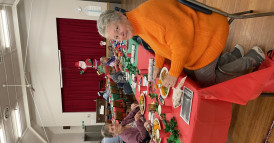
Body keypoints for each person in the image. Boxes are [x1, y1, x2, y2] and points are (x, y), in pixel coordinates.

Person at [97, 0, 265, 87]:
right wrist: (158, 65)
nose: (121, 35)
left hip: (208, 34)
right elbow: (160, 45)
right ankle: (235, 54)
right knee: (192, 76)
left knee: (207, 83)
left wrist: (174, 73)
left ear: (120, 16)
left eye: (117, 28)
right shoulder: (136, 24)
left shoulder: (146, 20)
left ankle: (252, 58)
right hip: (197, 37)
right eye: (117, 37)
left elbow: (181, 45)